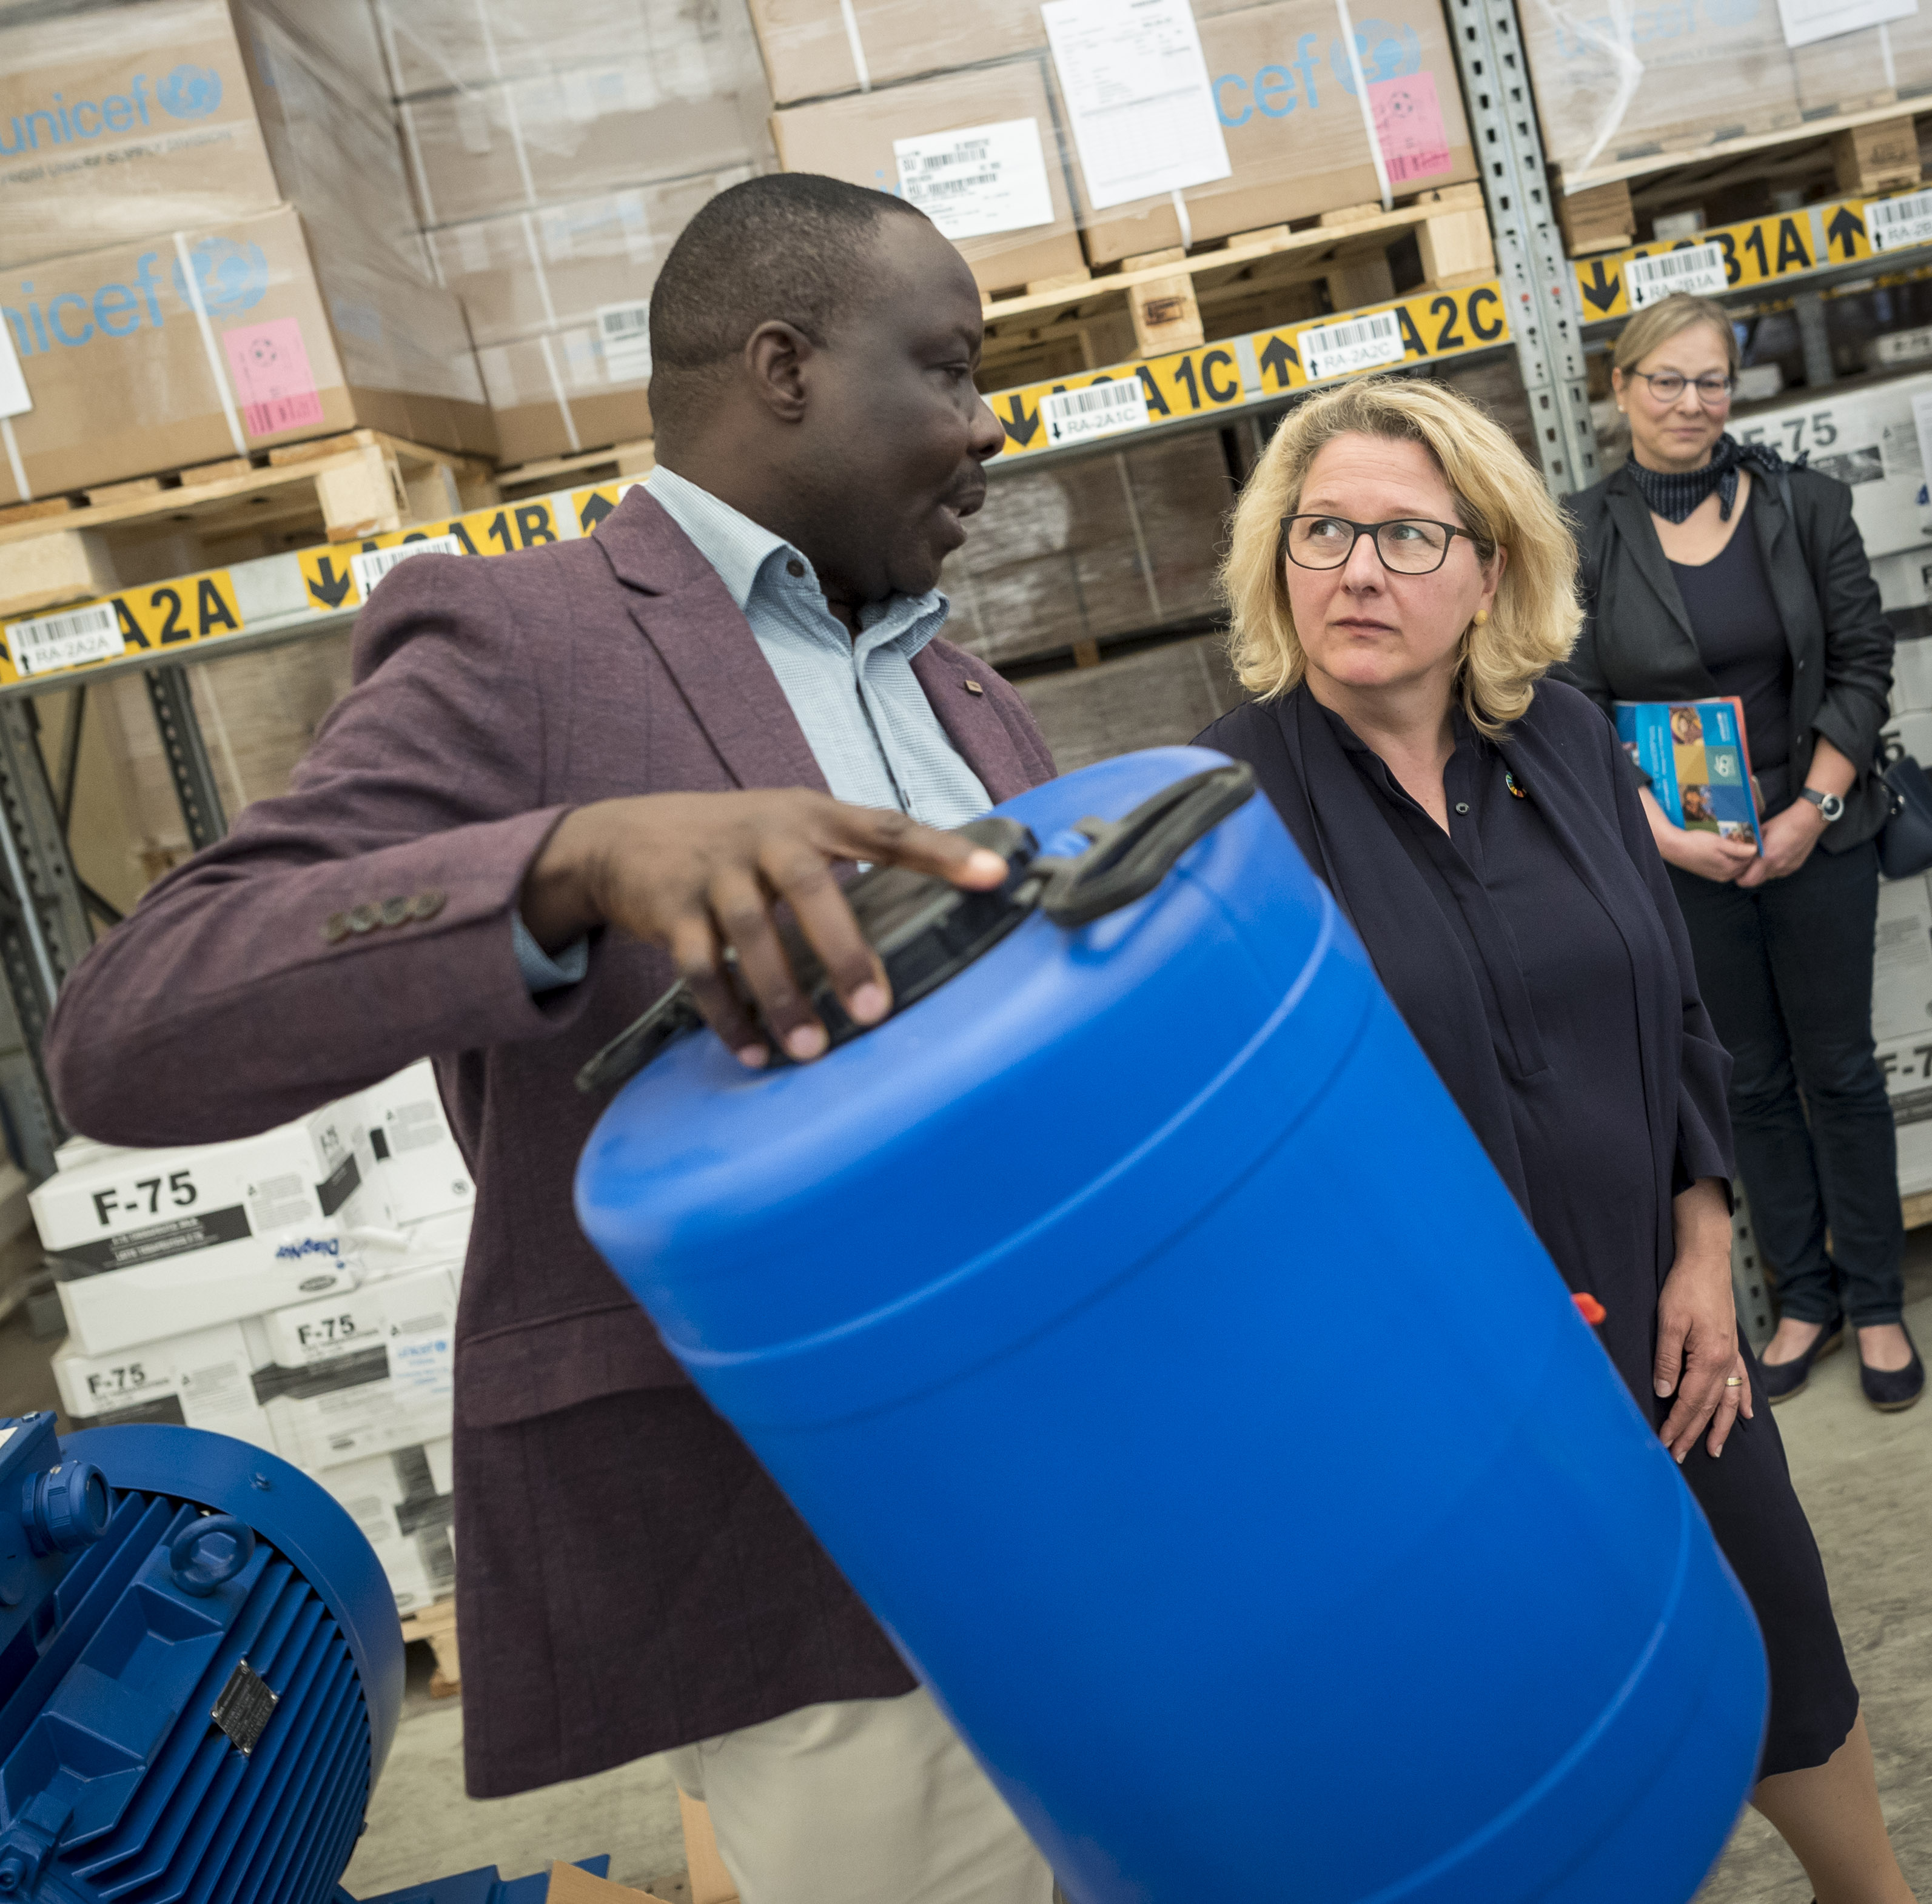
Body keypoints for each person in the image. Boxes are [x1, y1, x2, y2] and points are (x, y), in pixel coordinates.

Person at [42, 175, 1059, 1904]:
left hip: (1101, 1464)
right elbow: (133, 1028)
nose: (986, 424)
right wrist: (565, 860)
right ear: (785, 365)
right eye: (951, 371)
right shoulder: (526, 641)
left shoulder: (964, 692)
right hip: (825, 1541)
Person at [1196, 375, 1916, 1904]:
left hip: (1666, 1329)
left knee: (1778, 1637)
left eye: (1403, 534)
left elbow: (1675, 1022)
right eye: (1322, 532)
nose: (1358, 571)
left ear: (1493, 569)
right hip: (1429, 1382)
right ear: (1277, 562)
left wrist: (1709, 1251)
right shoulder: (1226, 809)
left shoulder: (1573, 741)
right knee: (1519, 1739)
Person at [1561, 292, 1919, 1413]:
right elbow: (1573, 701)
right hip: (1683, 860)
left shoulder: (1804, 506)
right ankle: (1800, 1295)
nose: (1688, 402)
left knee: (1843, 1071)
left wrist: (1811, 808)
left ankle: (1874, 1304)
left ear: (1732, 389)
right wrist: (1665, 839)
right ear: (1619, 391)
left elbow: (1861, 663)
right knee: (1747, 1085)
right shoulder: (1579, 536)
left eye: (1708, 379)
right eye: (1662, 379)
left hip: (1819, 833)